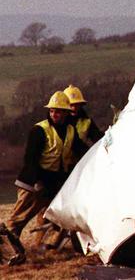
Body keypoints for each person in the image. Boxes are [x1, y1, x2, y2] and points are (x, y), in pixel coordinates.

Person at [1, 92, 87, 264]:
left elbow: (81, 151)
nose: (55, 114)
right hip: (32, 184)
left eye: (59, 111)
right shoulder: (39, 130)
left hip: (52, 183)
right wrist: (38, 183)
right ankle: (6, 252)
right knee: (18, 220)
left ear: (65, 113)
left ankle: (44, 247)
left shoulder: (71, 131)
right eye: (53, 111)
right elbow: (30, 159)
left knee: (57, 217)